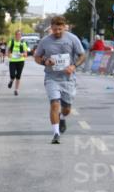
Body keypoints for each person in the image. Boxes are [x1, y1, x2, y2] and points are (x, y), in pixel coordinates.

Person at [33, 16, 86, 144]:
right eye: (55, 29)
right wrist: (45, 61)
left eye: (60, 29)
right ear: (51, 28)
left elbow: (82, 55)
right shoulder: (45, 41)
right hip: (52, 78)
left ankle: (62, 117)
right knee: (54, 103)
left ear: (64, 27)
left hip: (68, 79)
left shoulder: (72, 39)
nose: (57, 32)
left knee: (66, 109)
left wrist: (74, 66)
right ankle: (56, 133)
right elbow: (37, 57)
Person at [5, 30, 29, 96]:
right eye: (17, 34)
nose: (18, 36)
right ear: (15, 35)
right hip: (12, 61)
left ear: (21, 36)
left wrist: (22, 54)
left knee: (18, 76)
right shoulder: (11, 42)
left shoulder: (23, 43)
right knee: (12, 75)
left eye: (19, 35)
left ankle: (16, 90)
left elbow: (26, 54)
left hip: (20, 61)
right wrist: (8, 54)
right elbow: (7, 51)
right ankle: (11, 81)